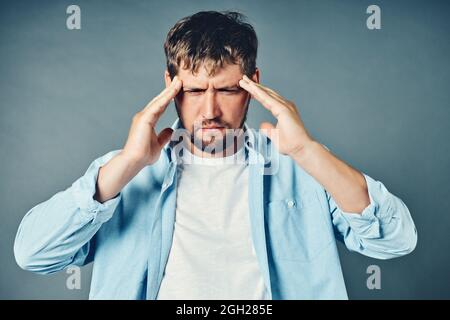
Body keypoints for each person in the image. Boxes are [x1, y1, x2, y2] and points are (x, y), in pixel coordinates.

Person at [14, 10, 417, 300]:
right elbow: (34, 254)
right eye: (193, 91)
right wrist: (127, 165)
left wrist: (308, 152)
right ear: (170, 85)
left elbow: (395, 242)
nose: (210, 111)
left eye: (226, 90)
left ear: (254, 84)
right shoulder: (124, 172)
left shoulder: (302, 164)